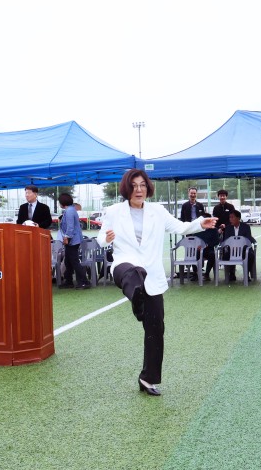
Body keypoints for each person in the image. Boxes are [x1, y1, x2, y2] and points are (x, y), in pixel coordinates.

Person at [98, 169, 216, 396]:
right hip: (124, 264)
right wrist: (107, 239)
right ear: (126, 188)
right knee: (133, 272)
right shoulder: (113, 211)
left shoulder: (157, 211)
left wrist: (202, 223)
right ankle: (137, 299)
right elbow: (102, 238)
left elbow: (181, 227)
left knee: (155, 328)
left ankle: (147, 379)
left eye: (142, 185)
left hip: (152, 274)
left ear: (148, 187)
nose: (139, 189)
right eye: (134, 185)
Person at [178, 186, 213, 281]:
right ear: (188, 194)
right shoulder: (185, 206)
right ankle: (195, 273)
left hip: (199, 231)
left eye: (194, 193)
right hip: (189, 231)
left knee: (199, 250)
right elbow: (182, 219)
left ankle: (200, 270)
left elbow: (203, 217)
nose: (193, 195)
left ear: (196, 194)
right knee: (191, 251)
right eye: (191, 193)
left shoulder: (200, 205)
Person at [58, 193, 90, 289]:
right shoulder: (71, 210)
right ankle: (69, 281)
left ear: (62, 202)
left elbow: (70, 227)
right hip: (73, 239)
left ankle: (84, 281)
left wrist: (66, 238)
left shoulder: (69, 211)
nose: (59, 204)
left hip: (72, 240)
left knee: (74, 262)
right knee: (68, 261)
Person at [221, 209, 257, 282]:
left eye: (232, 217)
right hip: (231, 249)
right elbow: (226, 241)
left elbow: (247, 240)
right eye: (229, 217)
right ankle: (231, 274)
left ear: (238, 218)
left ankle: (246, 274)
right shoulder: (228, 228)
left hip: (244, 249)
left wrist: (239, 246)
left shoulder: (246, 227)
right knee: (226, 254)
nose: (230, 219)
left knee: (250, 255)